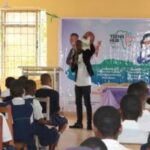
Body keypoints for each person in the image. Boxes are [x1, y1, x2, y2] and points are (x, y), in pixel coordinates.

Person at [24, 79, 60, 149]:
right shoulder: (34, 102)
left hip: (21, 126)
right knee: (54, 132)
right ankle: (47, 147)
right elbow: (40, 120)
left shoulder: (22, 99)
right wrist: (47, 122)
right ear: (35, 90)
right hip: (32, 127)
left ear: (24, 90)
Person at [69, 39, 95, 130]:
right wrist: (73, 62)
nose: (78, 46)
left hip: (86, 83)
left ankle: (89, 124)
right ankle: (79, 123)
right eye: (77, 45)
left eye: (80, 44)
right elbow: (72, 69)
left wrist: (88, 42)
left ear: (83, 45)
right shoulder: (75, 55)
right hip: (78, 83)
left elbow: (92, 50)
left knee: (87, 104)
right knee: (78, 103)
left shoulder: (86, 53)